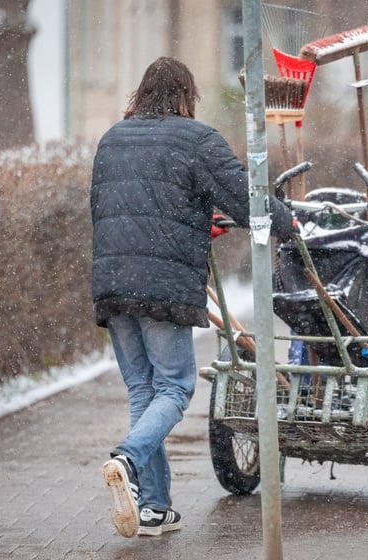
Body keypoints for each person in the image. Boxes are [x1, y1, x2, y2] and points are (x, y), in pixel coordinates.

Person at [90, 57, 295, 538]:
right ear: (186, 95)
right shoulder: (195, 139)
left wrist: (195, 224)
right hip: (160, 285)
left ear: (141, 93)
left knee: (145, 391)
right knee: (176, 387)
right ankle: (127, 456)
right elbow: (248, 198)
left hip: (113, 279)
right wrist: (287, 221)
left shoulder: (111, 139)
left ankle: (154, 507)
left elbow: (123, 210)